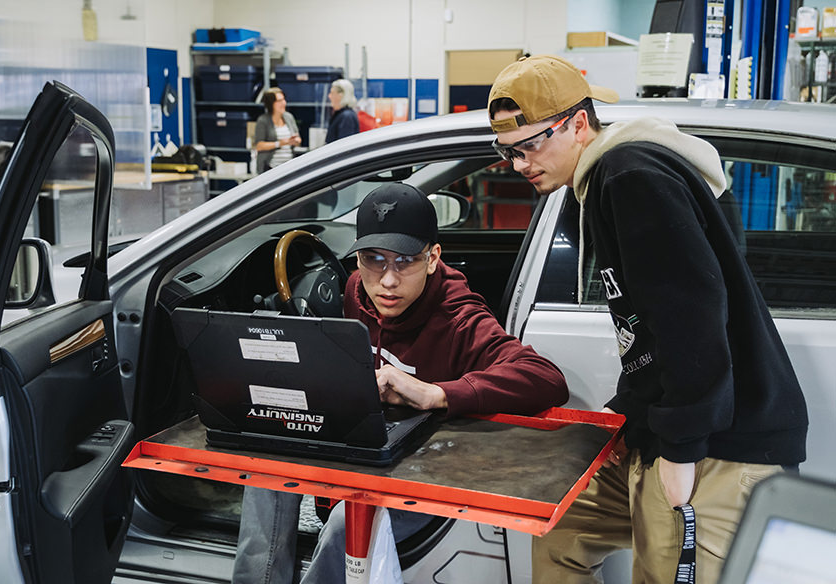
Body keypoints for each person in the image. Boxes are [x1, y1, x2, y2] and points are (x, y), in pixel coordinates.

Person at [486, 55, 808, 584]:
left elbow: (693, 315)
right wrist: (627, 417)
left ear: (578, 123)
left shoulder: (630, 176)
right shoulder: (614, 179)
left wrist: (681, 451)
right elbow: (648, 331)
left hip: (720, 444)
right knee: (562, 534)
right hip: (666, 432)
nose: (520, 164)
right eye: (509, 151)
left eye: (532, 145)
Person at [233, 182, 569, 584]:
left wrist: (437, 393)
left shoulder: (459, 317)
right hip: (368, 442)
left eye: (405, 261)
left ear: (432, 259)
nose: (387, 281)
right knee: (266, 462)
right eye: (373, 260)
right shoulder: (359, 289)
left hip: (425, 469)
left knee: (350, 519)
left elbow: (545, 377)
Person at [254, 87, 301, 174]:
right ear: (271, 104)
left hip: (289, 166)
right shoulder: (263, 120)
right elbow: (259, 145)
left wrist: (296, 140)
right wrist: (280, 143)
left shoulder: (289, 117)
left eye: (283, 100)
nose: (283, 103)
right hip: (271, 167)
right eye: (279, 101)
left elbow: (298, 138)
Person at [325, 78, 359, 143]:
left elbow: (344, 146)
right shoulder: (340, 115)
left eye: (332, 93)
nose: (329, 96)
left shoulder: (347, 117)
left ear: (341, 95)